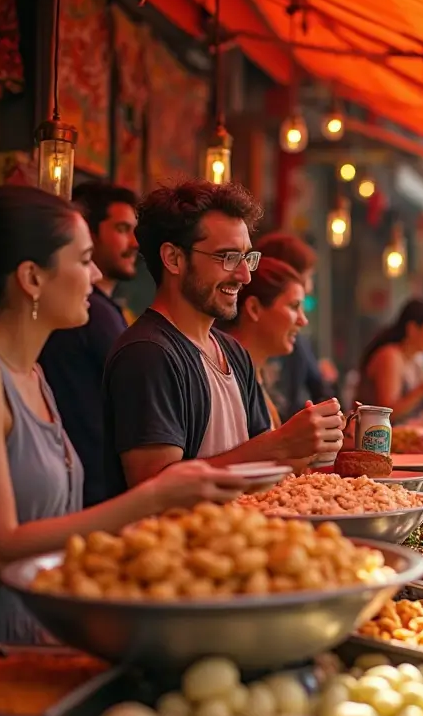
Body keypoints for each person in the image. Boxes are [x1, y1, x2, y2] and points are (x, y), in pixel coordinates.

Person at [0, 186, 249, 704]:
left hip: (19, 624)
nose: (95, 277)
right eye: (83, 261)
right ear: (31, 278)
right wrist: (153, 497)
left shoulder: (33, 374)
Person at [102, 180, 345, 495]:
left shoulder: (232, 352)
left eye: (247, 257)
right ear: (173, 259)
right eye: (228, 257)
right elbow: (154, 490)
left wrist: (307, 445)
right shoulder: (148, 354)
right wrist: (281, 443)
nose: (244, 275)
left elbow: (263, 468)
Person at [38, 182, 139, 507]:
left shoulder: (102, 310)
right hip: (90, 495)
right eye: (123, 229)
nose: (135, 243)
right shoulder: (93, 313)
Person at [216, 258, 308, 427]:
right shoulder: (226, 376)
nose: (303, 320)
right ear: (254, 309)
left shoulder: (253, 374)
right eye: (294, 307)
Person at [255, 233, 336, 415]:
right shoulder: (236, 353)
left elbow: (322, 393)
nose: (310, 287)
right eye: (307, 277)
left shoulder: (294, 341)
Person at [356, 298, 423, 416]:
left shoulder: (418, 359)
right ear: (413, 329)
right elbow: (388, 413)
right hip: (375, 432)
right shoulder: (390, 356)